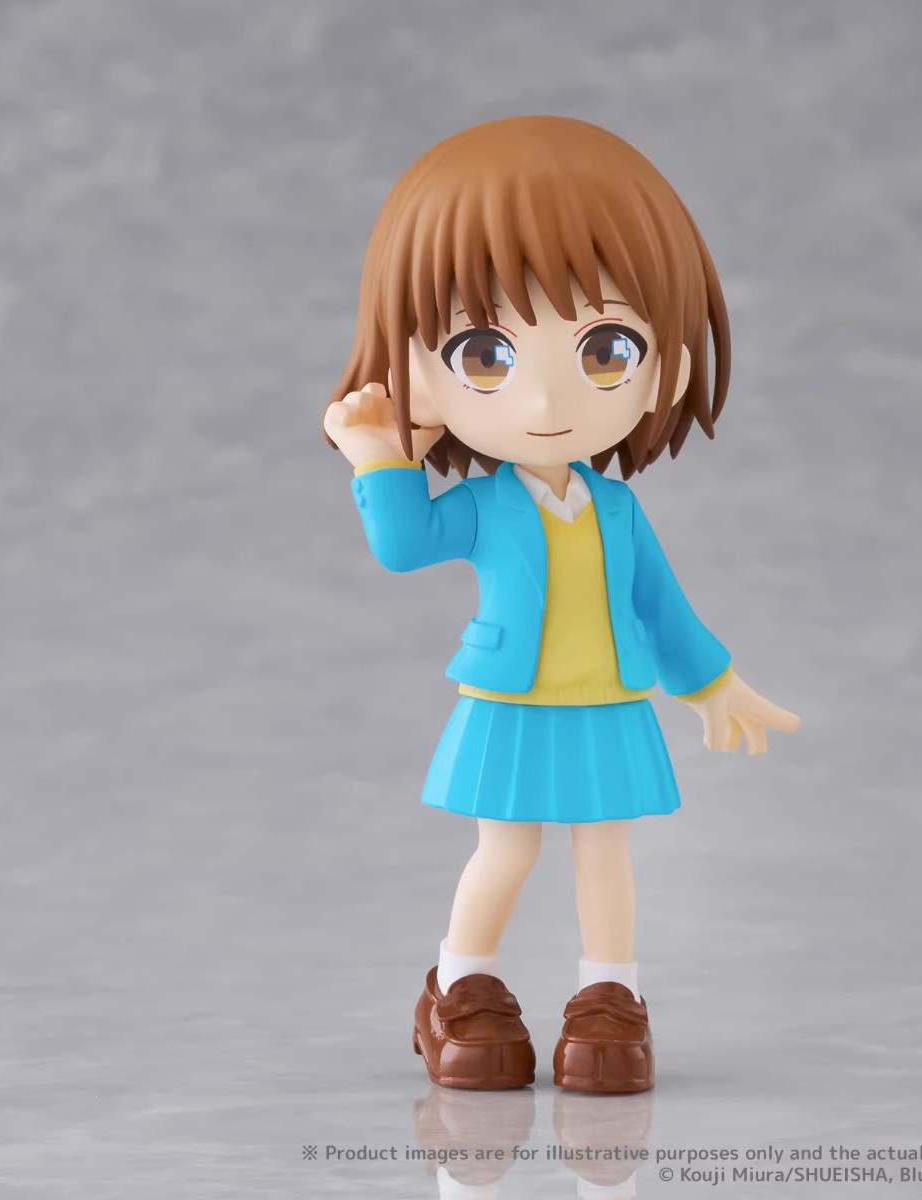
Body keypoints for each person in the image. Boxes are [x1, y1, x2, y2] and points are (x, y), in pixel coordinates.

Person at [324, 115, 799, 1093]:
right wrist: (377, 457)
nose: (545, 402)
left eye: (606, 348)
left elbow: (661, 606)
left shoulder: (616, 509)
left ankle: (609, 999)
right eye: (485, 354)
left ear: (665, 365)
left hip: (608, 703)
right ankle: (459, 987)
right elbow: (405, 546)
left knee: (604, 857)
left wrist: (714, 683)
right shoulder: (485, 506)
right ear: (420, 372)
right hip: (509, 703)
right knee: (505, 852)